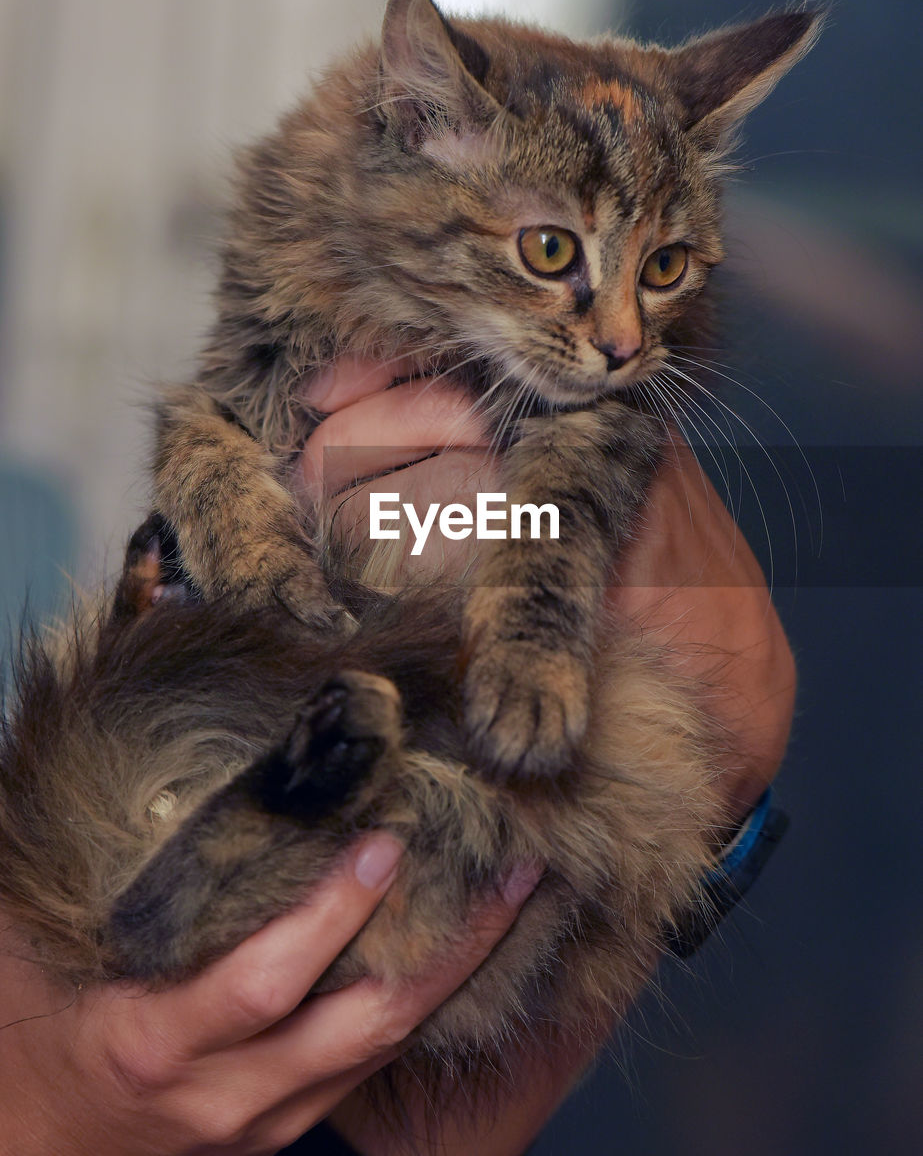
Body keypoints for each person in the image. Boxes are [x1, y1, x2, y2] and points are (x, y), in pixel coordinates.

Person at [0, 359, 796, 1155]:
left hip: (240, 774)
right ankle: (235, 839)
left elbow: (376, 1101)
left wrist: (722, 760)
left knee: (421, 854)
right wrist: (49, 1113)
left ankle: (244, 826)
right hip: (203, 814)